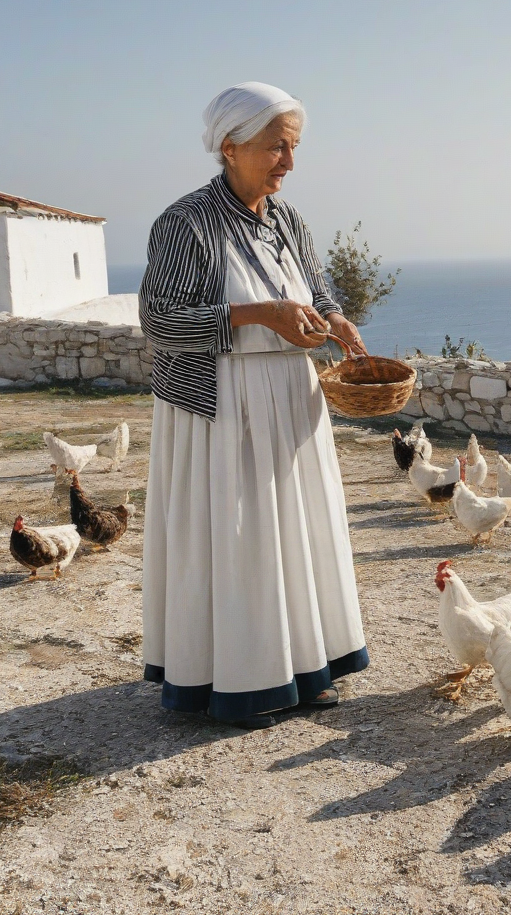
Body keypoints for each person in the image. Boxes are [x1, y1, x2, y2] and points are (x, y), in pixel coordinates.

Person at [139, 82, 369, 728]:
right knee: (239, 541)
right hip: (222, 408)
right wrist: (257, 314)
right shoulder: (184, 223)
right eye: (277, 148)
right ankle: (237, 682)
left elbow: (319, 290)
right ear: (231, 146)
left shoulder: (289, 220)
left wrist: (337, 319)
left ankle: (305, 667)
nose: (288, 163)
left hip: (293, 400)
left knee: (298, 535)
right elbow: (159, 323)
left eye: (293, 149)